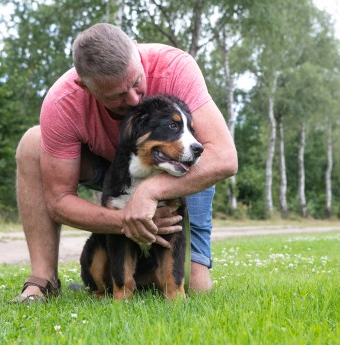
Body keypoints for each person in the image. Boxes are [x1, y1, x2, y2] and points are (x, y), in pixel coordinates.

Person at [13, 23, 238, 302]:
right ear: (85, 86)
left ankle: (158, 271)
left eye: (136, 82)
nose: (133, 99)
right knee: (33, 142)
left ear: (135, 47)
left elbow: (225, 159)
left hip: (181, 169)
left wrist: (148, 191)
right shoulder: (63, 102)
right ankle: (42, 279)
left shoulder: (175, 67)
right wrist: (125, 219)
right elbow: (59, 201)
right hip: (111, 169)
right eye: (117, 96)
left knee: (196, 287)